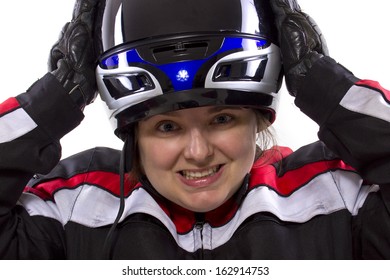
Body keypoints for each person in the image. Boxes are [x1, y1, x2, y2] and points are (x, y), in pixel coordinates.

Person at [0, 0, 389, 260]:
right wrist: (55, 99)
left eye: (222, 119)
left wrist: (323, 83)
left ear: (259, 119)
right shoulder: (70, 204)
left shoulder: (337, 194)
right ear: (132, 133)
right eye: (167, 126)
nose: (199, 152)